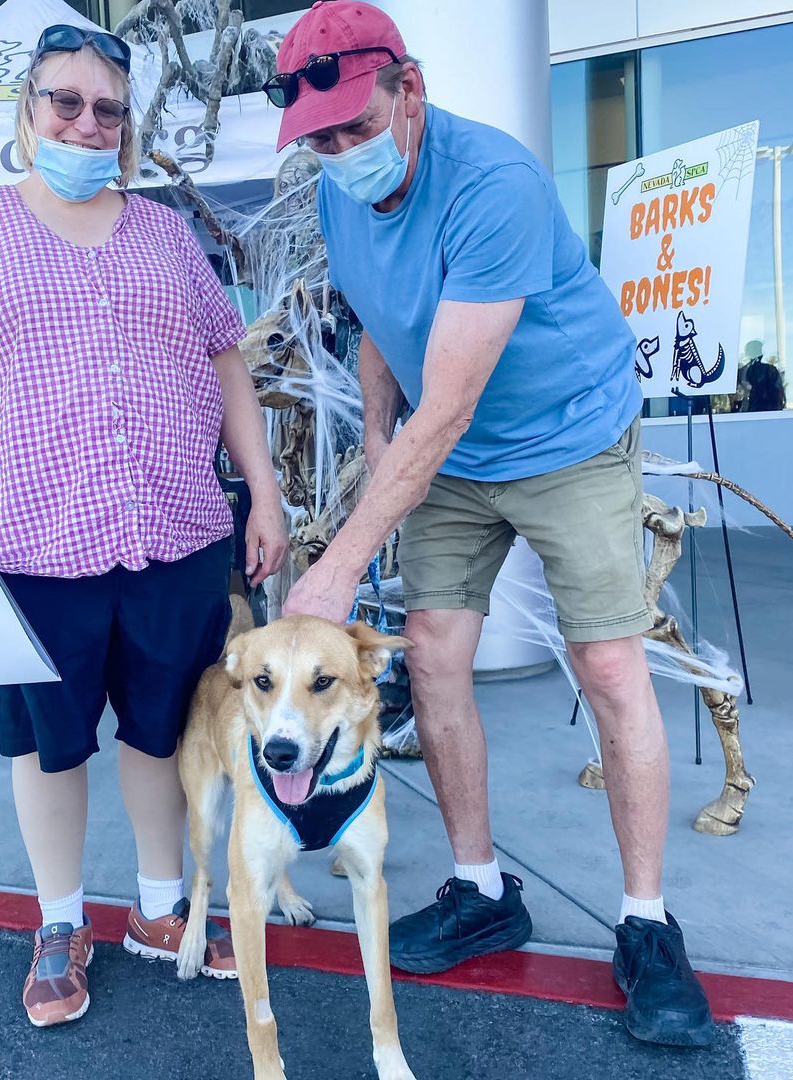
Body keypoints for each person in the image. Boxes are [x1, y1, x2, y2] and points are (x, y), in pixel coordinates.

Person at [269, 1, 714, 1048]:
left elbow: (456, 399)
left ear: (409, 92)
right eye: (320, 138)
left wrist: (340, 563)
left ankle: (647, 926)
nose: (340, 153)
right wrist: (378, 441)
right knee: (432, 660)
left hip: (567, 436)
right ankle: (481, 889)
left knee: (609, 666)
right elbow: (383, 327)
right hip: (447, 456)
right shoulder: (341, 193)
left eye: (355, 129)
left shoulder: (494, 186)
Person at [0, 24, 287, 1029]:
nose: (86, 123)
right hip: (20, 543)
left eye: (106, 109)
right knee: (46, 745)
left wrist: (264, 493)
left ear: (126, 126)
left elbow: (226, 362)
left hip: (173, 531)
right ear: (28, 111)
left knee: (158, 728)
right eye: (66, 102)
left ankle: (157, 906)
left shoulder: (164, 235)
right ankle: (61, 921)